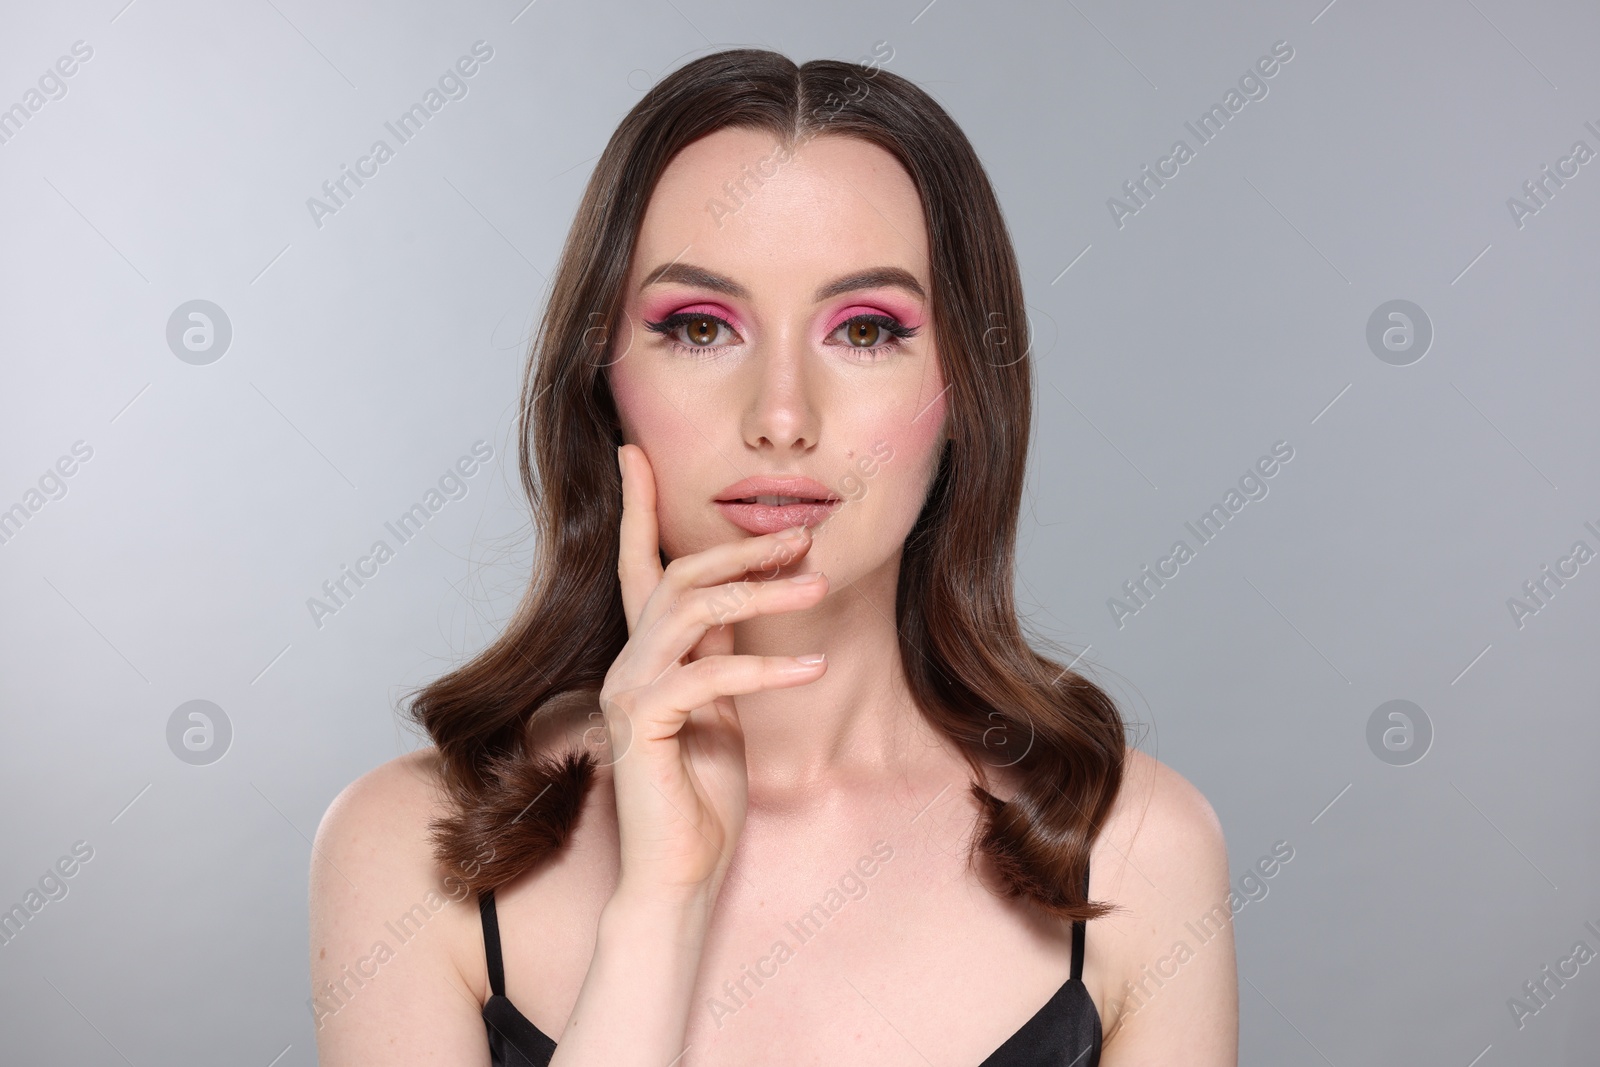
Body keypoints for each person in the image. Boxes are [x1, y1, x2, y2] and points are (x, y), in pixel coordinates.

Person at [309, 47, 1237, 1066]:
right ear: (600, 378)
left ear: (966, 391)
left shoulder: (1139, 846)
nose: (783, 416)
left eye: (868, 329)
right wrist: (661, 908)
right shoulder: (409, 847)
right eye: (701, 327)